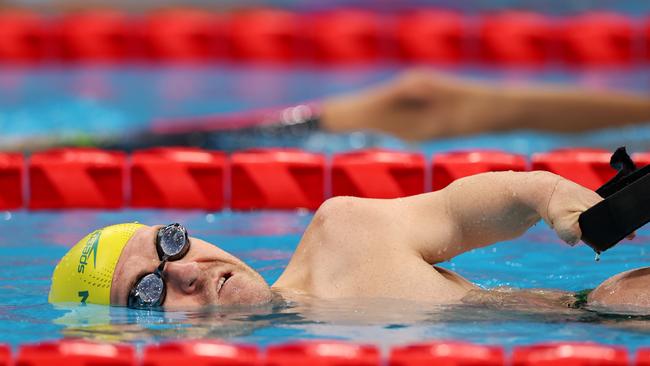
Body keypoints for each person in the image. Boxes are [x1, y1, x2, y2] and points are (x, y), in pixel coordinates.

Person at [48, 170, 645, 314]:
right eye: (148, 290)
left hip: (601, 314)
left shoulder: (346, 234)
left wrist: (542, 192)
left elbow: (456, 214)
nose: (183, 271)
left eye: (171, 243)